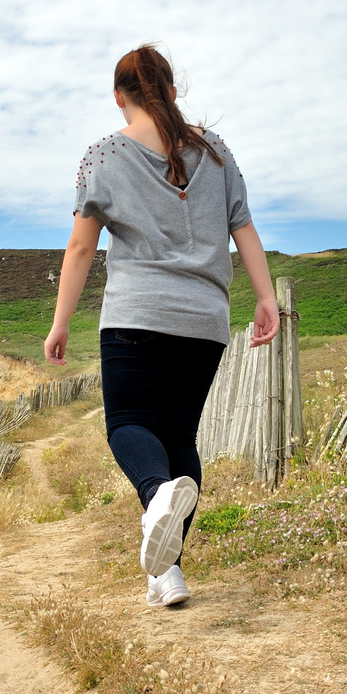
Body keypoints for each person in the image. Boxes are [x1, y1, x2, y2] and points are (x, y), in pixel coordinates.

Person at [44, 44, 277, 608]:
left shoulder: (104, 155)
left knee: (127, 424)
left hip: (136, 315)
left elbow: (80, 249)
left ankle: (153, 498)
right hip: (205, 322)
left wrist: (60, 324)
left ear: (120, 98)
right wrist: (265, 297)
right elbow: (242, 227)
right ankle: (166, 576)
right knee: (178, 439)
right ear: (172, 92)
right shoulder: (217, 152)